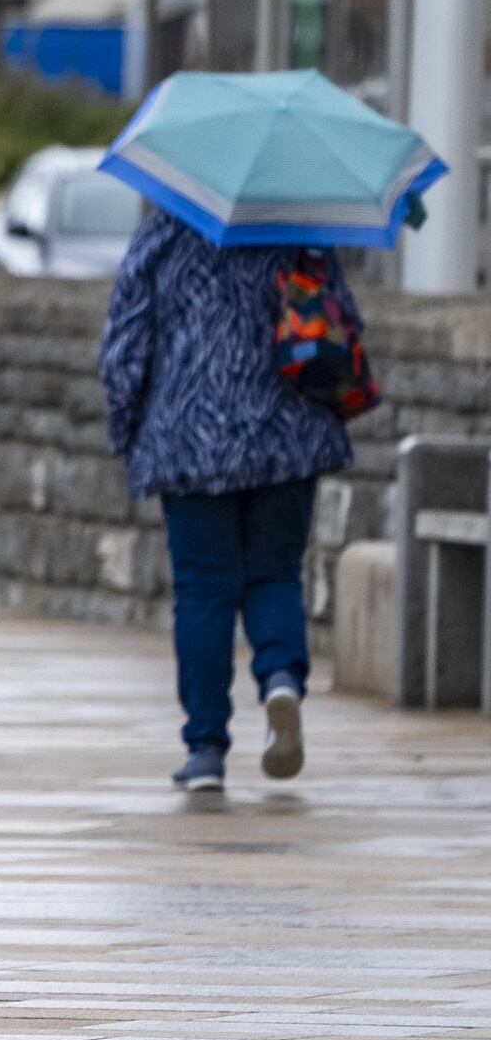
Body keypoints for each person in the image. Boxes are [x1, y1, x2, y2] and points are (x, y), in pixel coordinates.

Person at [101, 210, 360, 792]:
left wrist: (127, 430)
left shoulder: (164, 231)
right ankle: (281, 682)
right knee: (274, 575)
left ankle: (206, 749)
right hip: (287, 436)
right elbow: (341, 324)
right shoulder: (299, 231)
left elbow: (125, 343)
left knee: (204, 590)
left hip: (190, 440)